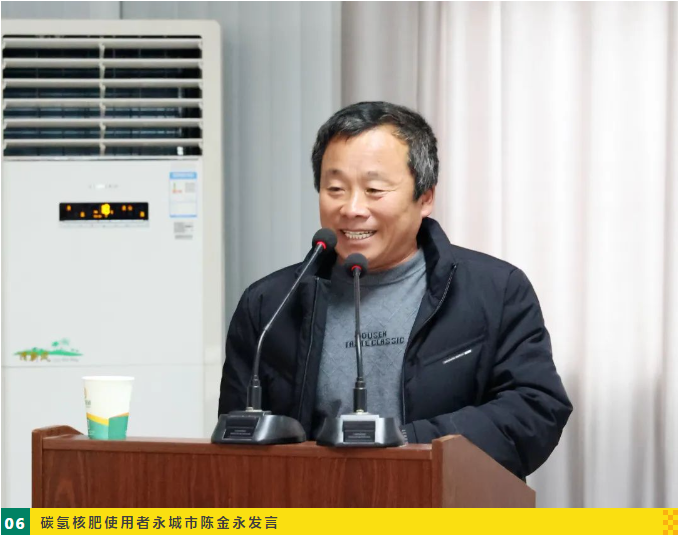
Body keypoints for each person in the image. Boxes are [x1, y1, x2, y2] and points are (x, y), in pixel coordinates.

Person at [219, 101, 572, 479]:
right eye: (335, 188)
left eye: (374, 189)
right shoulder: (270, 306)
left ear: (425, 197)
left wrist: (407, 443)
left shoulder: (495, 290)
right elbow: (238, 443)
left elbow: (534, 410)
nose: (352, 208)